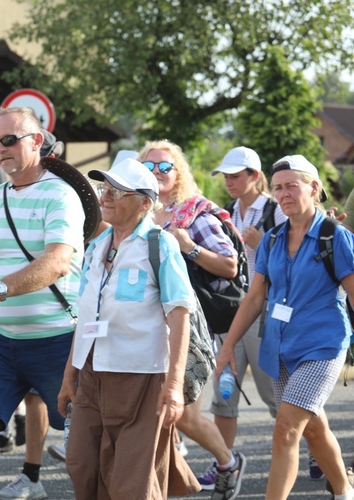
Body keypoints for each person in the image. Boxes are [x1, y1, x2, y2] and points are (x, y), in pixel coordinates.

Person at [0, 107, 83, 500]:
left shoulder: (61, 195)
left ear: (37, 141)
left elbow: (58, 262)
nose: (0, 148)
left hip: (58, 339)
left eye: (9, 139)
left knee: (84, 441)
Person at [58, 157, 198, 498]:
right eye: (106, 189)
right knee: (82, 465)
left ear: (145, 203)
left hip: (141, 378)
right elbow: (85, 315)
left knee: (132, 480)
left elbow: (180, 315)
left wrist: (175, 386)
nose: (106, 197)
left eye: (118, 192)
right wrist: (69, 375)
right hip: (92, 374)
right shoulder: (96, 247)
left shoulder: (159, 244)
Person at [216, 155, 354, 500]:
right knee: (313, 429)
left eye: (292, 185)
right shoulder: (273, 238)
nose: (284, 193)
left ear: (314, 187)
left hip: (322, 345)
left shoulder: (334, 237)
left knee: (286, 428)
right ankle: (344, 490)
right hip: (278, 345)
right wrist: (228, 347)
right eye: (278, 187)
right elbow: (253, 298)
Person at [140, 139, 246, 500]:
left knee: (183, 416)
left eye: (165, 166)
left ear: (178, 172)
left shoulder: (194, 213)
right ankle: (160, 484)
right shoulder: (139, 213)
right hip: (146, 325)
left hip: (190, 326)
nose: (157, 172)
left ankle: (228, 463)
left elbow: (230, 266)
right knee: (151, 412)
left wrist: (189, 246)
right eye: (150, 166)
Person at [210, 147, 285, 441]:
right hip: (229, 310)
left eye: (235, 175)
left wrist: (264, 242)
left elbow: (298, 255)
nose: (229, 181)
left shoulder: (276, 209)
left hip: (263, 310)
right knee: (223, 395)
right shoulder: (226, 211)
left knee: (273, 394)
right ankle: (223, 466)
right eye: (226, 176)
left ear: (254, 176)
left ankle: (315, 453)